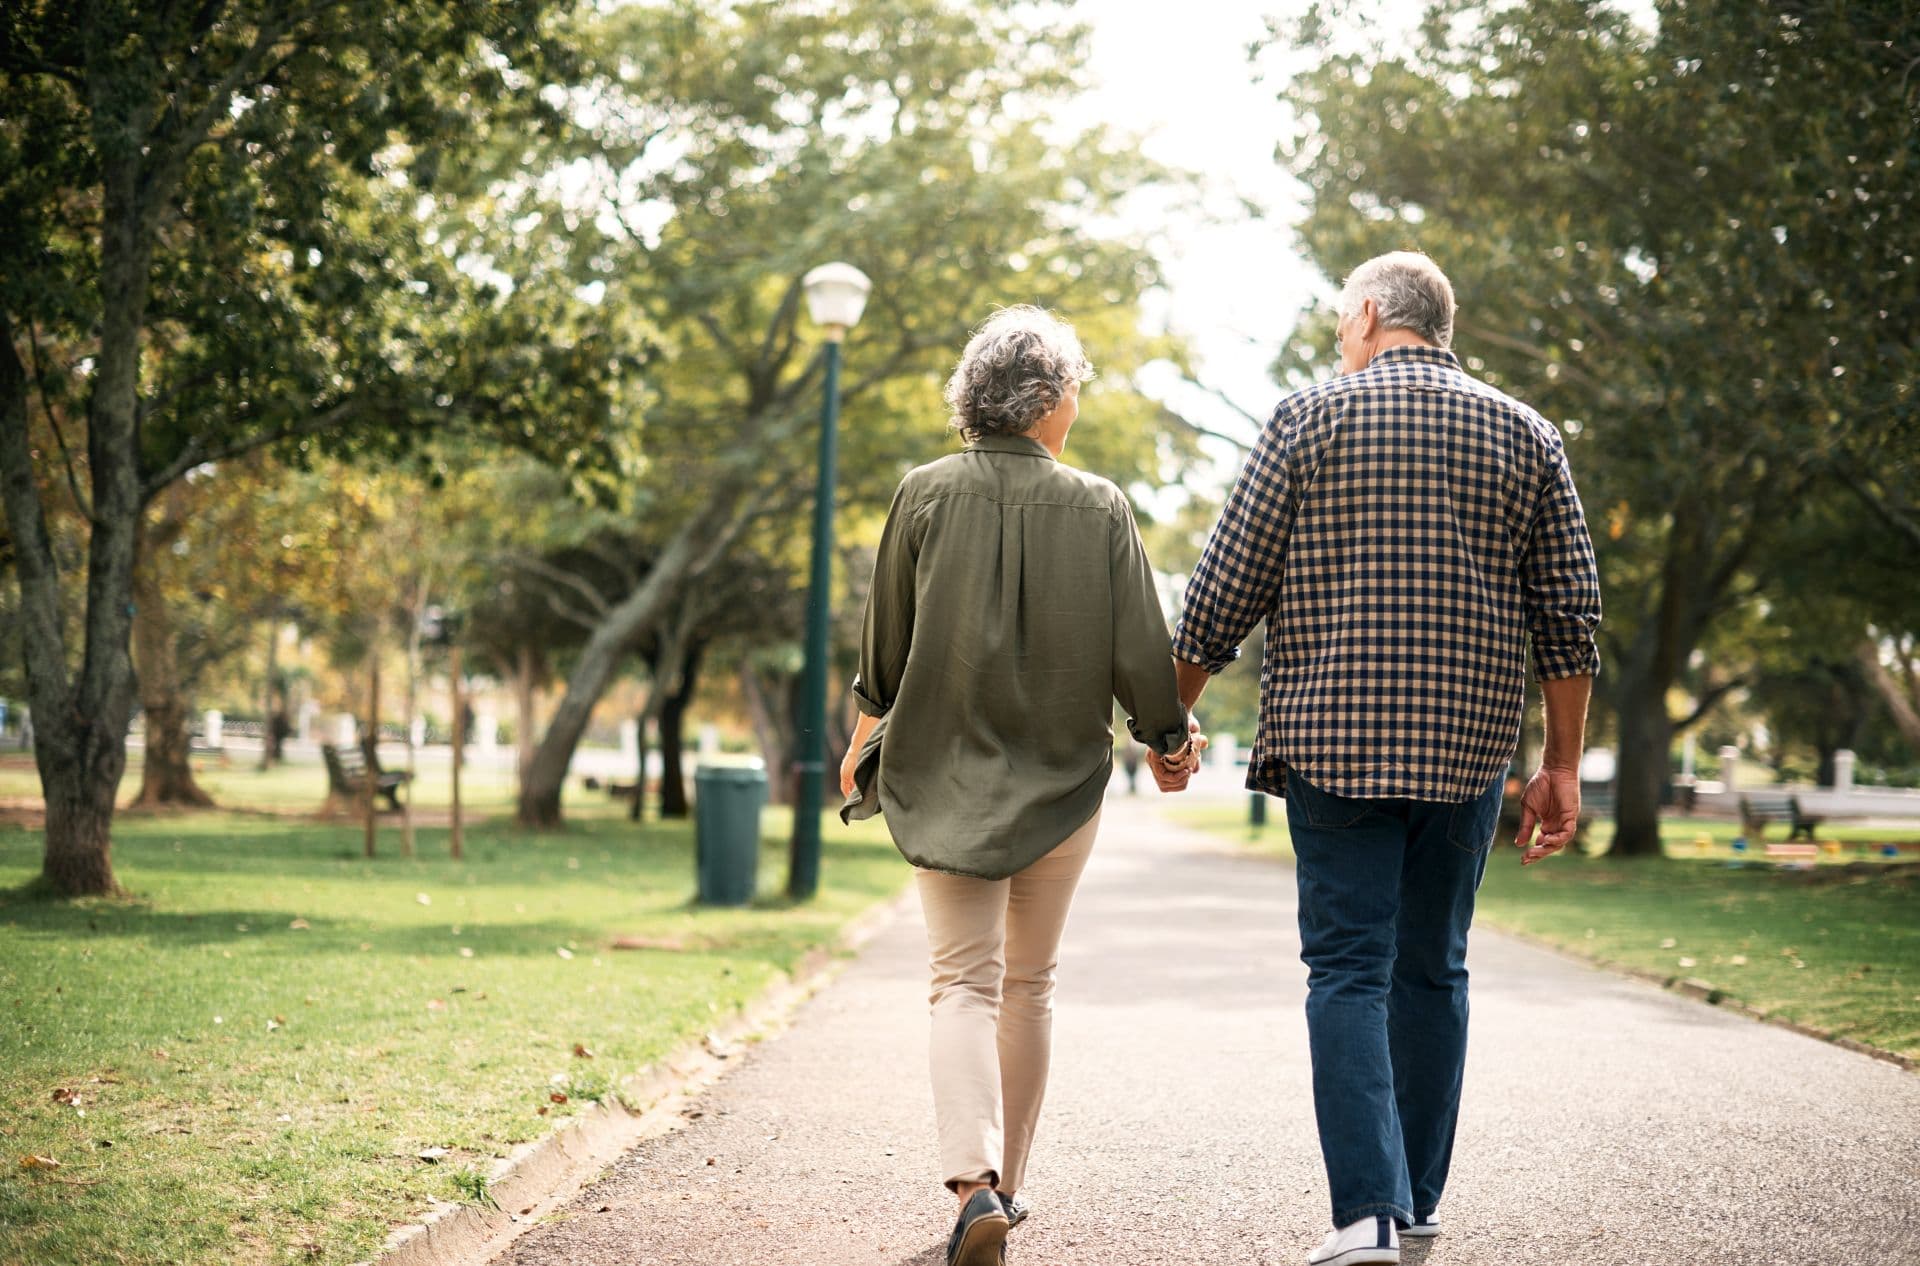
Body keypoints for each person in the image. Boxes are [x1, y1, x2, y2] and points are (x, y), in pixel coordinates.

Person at [1161, 252, 1601, 1266]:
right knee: (1433, 969)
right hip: (1467, 754)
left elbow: (1225, 586)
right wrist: (1563, 764)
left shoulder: (1308, 420)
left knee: (1350, 969)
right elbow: (1569, 618)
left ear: (1367, 316)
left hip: (1334, 744)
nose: (1336, 340)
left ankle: (1368, 1213)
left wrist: (1170, 721)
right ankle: (1416, 1209)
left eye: (1337, 322)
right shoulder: (1528, 434)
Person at [839, 305, 1200, 1266]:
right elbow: (1139, 652)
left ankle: (974, 1185)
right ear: (1046, 400)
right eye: (1073, 387)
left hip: (942, 769)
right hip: (1061, 786)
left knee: (961, 981)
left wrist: (863, 734)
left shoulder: (921, 494)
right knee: (1028, 984)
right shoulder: (1102, 506)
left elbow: (886, 645)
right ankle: (1010, 1187)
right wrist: (1167, 739)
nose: (1077, 405)